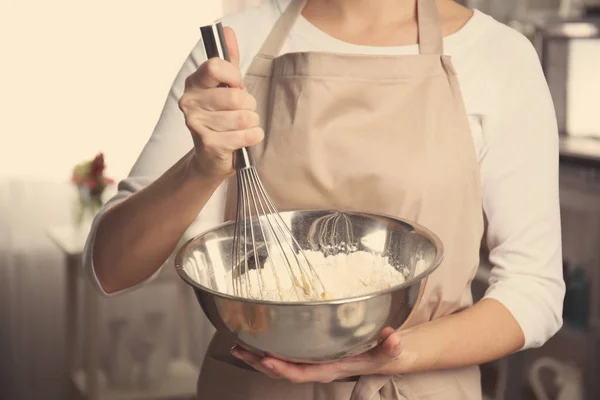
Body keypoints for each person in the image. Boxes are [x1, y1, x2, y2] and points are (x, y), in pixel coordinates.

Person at [83, 0, 565, 398]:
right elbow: (109, 268)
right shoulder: (236, 47)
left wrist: (396, 352)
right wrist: (200, 168)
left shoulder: (498, 56)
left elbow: (534, 291)